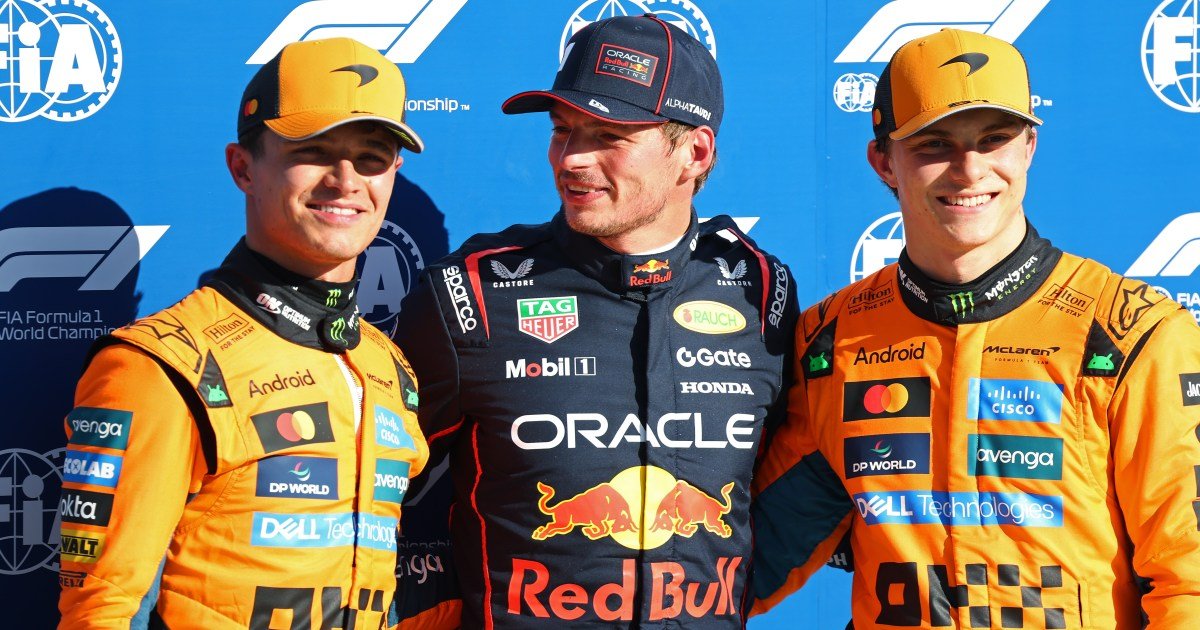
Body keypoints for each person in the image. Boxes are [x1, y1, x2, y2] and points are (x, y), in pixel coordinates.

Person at [751, 28, 1200, 627]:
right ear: (884, 162)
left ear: (1029, 148)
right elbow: (752, 558)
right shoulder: (832, 339)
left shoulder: (1131, 334)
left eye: (994, 140)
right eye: (934, 144)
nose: (969, 170)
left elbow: (1189, 579)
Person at [392, 14, 797, 628]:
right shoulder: (470, 291)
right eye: (563, 130)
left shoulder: (761, 291)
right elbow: (374, 487)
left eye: (609, 136)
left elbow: (798, 493)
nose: (573, 158)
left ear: (694, 153)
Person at [57, 38, 430, 628]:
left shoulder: (387, 363)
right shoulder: (159, 365)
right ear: (242, 168)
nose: (345, 180)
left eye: (371, 157)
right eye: (312, 151)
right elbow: (102, 609)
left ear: (393, 176)